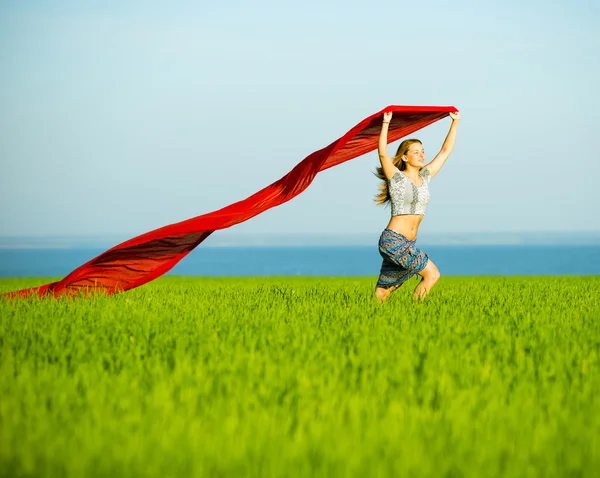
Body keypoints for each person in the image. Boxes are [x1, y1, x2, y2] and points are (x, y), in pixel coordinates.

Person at [374, 110, 460, 302]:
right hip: (393, 241)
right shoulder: (396, 178)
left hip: (408, 243)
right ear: (404, 157)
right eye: (415, 152)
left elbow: (445, 151)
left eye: (422, 151)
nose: (421, 155)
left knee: (383, 293)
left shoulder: (425, 177)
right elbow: (382, 153)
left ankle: (363, 318)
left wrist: (455, 122)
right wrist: (386, 123)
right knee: (433, 274)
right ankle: (415, 314)